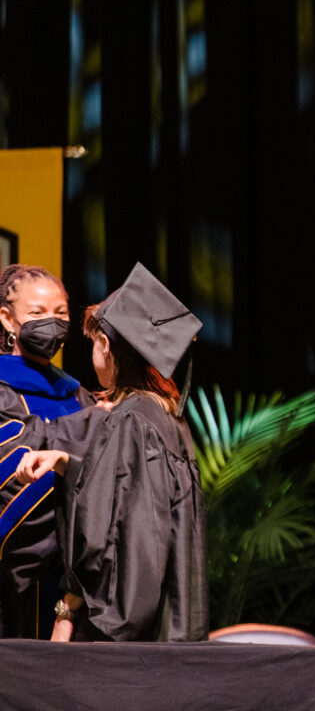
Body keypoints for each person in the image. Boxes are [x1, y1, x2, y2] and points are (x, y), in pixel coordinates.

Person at [14, 262, 208, 642]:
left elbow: (110, 536)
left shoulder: (130, 420)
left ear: (107, 345)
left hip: (117, 643)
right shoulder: (167, 419)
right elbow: (133, 497)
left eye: (93, 342)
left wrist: (66, 610)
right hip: (167, 632)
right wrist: (68, 463)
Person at [0, 264, 95, 639]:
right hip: (14, 575)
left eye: (61, 313)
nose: (52, 323)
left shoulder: (77, 393)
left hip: (76, 574)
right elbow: (14, 462)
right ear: (7, 320)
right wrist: (91, 431)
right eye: (37, 314)